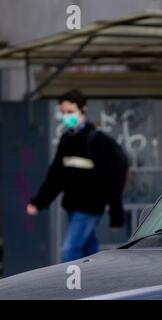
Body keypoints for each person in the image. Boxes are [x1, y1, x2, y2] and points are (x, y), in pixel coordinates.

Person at [26, 89, 127, 262]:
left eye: (70, 112)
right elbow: (56, 176)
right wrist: (39, 202)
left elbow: (111, 178)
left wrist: (116, 215)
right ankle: (99, 285)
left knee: (69, 251)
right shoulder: (66, 139)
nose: (66, 117)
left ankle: (73, 288)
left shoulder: (97, 140)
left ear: (83, 110)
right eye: (63, 113)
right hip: (72, 207)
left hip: (90, 208)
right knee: (89, 251)